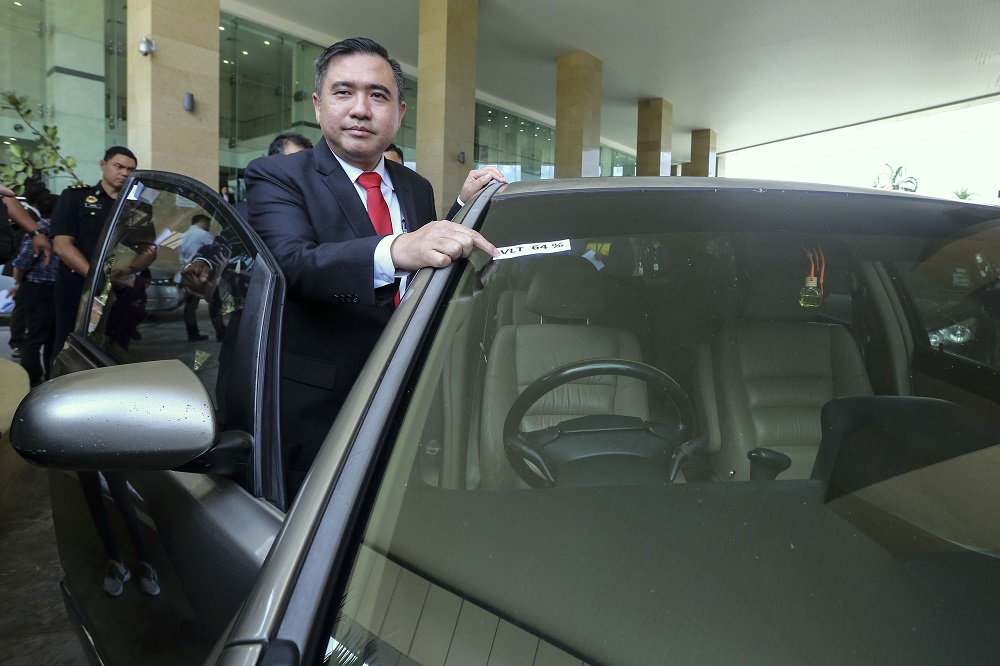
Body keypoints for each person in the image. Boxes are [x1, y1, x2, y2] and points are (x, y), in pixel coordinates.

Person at [245, 36, 496, 495]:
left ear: (399, 114)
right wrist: (397, 248)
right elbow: (291, 265)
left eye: (378, 96)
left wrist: (461, 209)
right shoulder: (278, 176)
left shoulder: (415, 186)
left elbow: (423, 261)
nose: (361, 109)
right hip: (322, 409)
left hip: (411, 396)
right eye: (344, 92)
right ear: (320, 106)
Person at [51, 146, 137, 367]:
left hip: (120, 290)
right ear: (103, 165)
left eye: (130, 169)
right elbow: (62, 246)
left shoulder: (136, 207)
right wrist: (99, 278)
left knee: (115, 348)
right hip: (78, 288)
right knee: (69, 347)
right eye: (119, 166)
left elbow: (148, 246)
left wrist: (129, 270)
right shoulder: (76, 197)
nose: (125, 173)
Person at [9, 192, 60, 386]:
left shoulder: (57, 233)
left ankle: (45, 378)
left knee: (49, 337)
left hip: (46, 289)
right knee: (37, 337)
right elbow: (22, 263)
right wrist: (19, 283)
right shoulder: (38, 233)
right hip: (37, 289)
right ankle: (32, 378)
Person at [177, 214, 216, 341]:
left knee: (190, 306)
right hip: (200, 274)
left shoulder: (184, 235)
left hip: (187, 273)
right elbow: (215, 252)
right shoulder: (203, 235)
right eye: (208, 223)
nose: (209, 226)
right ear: (202, 221)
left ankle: (192, 333)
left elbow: (182, 257)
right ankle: (220, 332)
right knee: (215, 303)